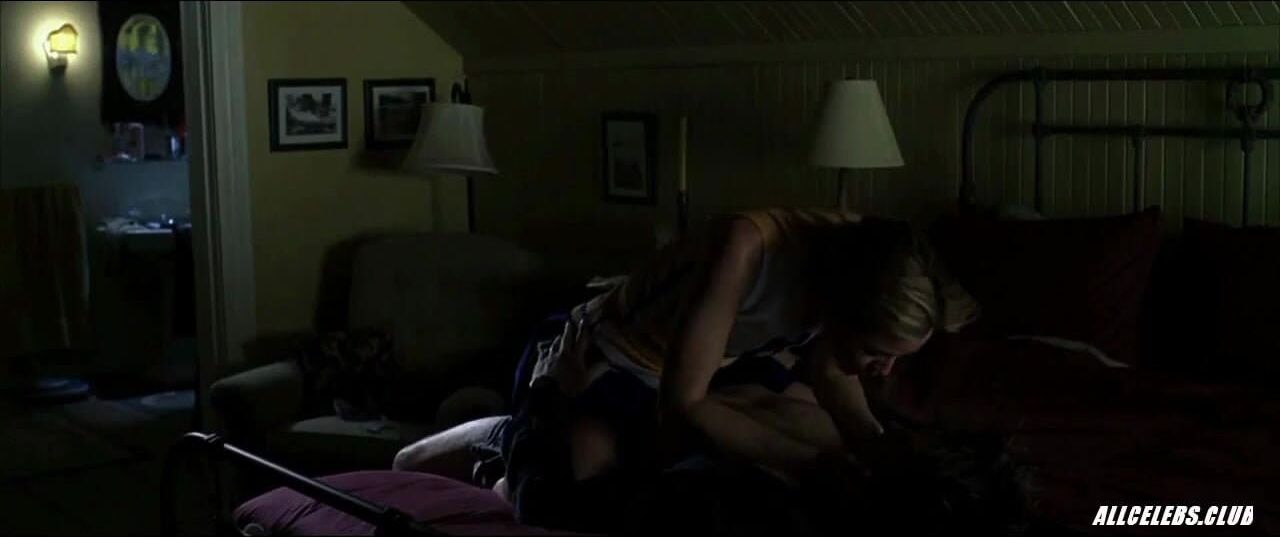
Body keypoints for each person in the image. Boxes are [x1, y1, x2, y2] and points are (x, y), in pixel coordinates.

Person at [394, 207, 983, 532]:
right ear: (844, 307)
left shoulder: (865, 254)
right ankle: (512, 433)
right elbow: (686, 405)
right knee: (577, 503)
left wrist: (881, 457)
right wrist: (821, 466)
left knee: (814, 433)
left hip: (723, 365)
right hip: (601, 359)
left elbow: (831, 371)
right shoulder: (747, 246)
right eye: (878, 352)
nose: (884, 372)